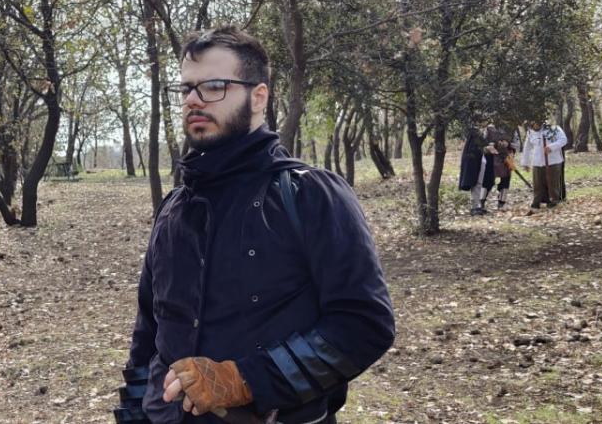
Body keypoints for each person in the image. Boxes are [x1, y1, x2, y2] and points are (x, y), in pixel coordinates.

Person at [115, 26, 395, 424]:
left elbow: (363, 325)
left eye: (214, 86)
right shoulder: (174, 209)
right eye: (187, 89)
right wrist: (132, 415)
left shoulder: (310, 195)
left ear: (258, 97)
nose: (193, 99)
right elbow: (149, 333)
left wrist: (244, 380)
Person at [519, 118, 567, 210]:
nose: (535, 125)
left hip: (553, 161)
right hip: (537, 162)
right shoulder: (530, 132)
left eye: (536, 123)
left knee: (553, 183)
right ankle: (537, 202)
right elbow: (527, 147)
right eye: (533, 124)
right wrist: (525, 162)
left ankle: (554, 201)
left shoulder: (554, 128)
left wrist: (551, 147)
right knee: (538, 184)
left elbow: (563, 140)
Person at [458, 122, 497, 215]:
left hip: (482, 160)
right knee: (475, 182)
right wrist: (487, 148)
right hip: (474, 160)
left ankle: (478, 205)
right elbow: (475, 147)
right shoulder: (473, 131)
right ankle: (475, 206)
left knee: (480, 183)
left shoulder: (486, 130)